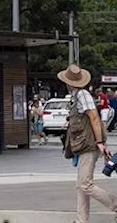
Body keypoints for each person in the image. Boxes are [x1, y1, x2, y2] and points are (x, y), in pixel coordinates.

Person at [59, 64, 117, 222]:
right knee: (81, 185)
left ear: (69, 82)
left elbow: (94, 118)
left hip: (88, 145)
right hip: (86, 145)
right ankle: (81, 220)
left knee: (85, 184)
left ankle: (115, 205)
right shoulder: (77, 95)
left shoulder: (82, 95)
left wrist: (99, 142)